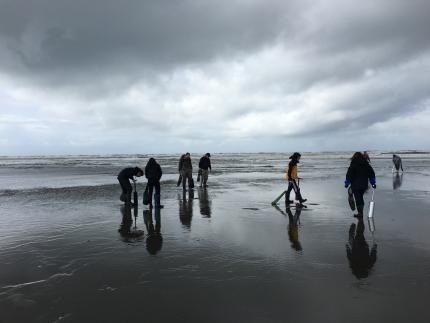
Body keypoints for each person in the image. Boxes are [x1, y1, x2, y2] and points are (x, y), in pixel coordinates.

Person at [344, 152, 376, 217]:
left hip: (355, 185)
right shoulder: (366, 164)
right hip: (364, 185)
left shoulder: (353, 164)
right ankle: (360, 212)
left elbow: (349, 174)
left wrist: (347, 183)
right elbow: (371, 174)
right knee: (360, 198)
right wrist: (373, 183)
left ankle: (360, 213)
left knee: (358, 198)